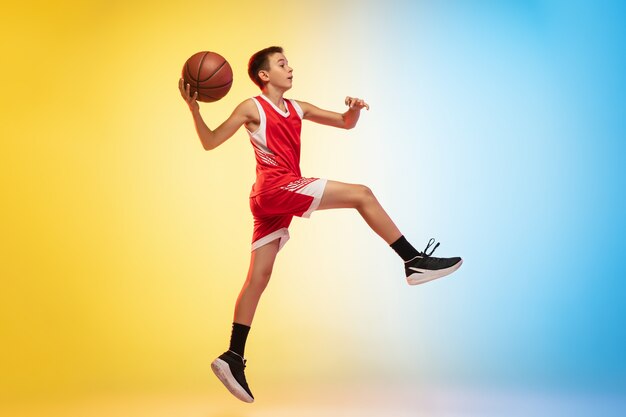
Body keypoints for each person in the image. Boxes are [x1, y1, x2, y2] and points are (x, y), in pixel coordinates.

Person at [178, 46, 462, 403]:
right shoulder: (252, 107)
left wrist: (353, 111)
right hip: (277, 187)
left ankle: (232, 356)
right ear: (265, 76)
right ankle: (412, 260)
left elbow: (344, 123)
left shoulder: (299, 108)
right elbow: (210, 142)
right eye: (282, 64)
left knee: (258, 278)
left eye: (288, 62)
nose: (290, 67)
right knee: (363, 194)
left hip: (271, 199)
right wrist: (194, 109)